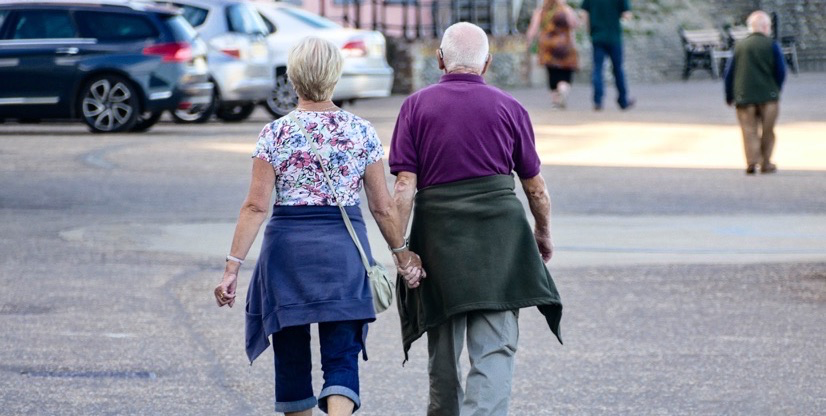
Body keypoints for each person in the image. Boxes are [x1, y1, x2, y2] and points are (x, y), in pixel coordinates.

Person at [213, 37, 424, 416]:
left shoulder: (274, 133)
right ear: (335, 76)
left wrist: (232, 267)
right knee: (341, 354)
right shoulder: (361, 132)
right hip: (342, 254)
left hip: (286, 257)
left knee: (291, 355)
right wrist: (403, 257)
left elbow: (255, 206)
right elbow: (382, 207)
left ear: (293, 79)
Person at [389, 22, 564, 416]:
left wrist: (401, 250)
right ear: (487, 63)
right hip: (500, 241)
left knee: (444, 351)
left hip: (438, 240)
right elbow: (535, 187)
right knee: (495, 348)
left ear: (440, 60)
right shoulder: (510, 108)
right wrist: (542, 232)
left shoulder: (415, 107)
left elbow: (404, 188)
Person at [724, 10, 786, 175]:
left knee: (749, 130)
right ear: (765, 26)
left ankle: (752, 162)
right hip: (769, 96)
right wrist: (776, 89)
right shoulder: (771, 45)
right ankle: (766, 162)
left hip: (744, 96)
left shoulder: (739, 46)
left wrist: (729, 95)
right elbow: (781, 71)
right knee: (768, 130)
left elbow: (729, 73)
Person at [580, 0, 635, 111]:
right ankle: (623, 101)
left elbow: (584, 14)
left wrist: (589, 30)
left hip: (597, 36)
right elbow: (627, 15)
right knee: (618, 69)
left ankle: (597, 100)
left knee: (598, 69)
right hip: (614, 37)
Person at [527, 0, 580, 109]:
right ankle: (563, 90)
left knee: (552, 73)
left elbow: (533, 29)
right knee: (566, 72)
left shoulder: (542, 10)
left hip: (548, 46)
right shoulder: (566, 10)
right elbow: (575, 24)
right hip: (565, 45)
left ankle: (555, 100)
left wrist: (529, 42)